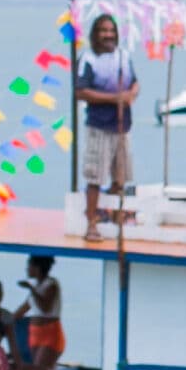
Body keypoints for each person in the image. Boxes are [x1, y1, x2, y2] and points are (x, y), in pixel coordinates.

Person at [75, 13, 140, 243]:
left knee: (121, 176)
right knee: (95, 176)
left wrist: (130, 95)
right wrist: (113, 99)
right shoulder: (89, 59)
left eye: (111, 31)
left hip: (122, 126)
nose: (108, 35)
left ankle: (114, 215)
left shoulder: (123, 56)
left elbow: (134, 82)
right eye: (103, 31)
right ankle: (91, 222)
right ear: (95, 33)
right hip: (99, 126)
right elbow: (80, 91)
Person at [13, 255, 63, 370]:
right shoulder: (37, 287)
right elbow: (23, 310)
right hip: (35, 333)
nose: (27, 269)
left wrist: (31, 288)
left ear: (37, 268)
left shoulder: (51, 284)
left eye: (29, 265)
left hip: (50, 333)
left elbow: (45, 308)